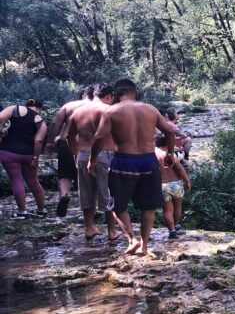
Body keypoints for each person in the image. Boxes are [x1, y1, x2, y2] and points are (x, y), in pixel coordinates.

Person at [89, 79, 179, 256]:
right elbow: (169, 132)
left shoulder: (111, 111)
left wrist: (92, 160)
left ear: (115, 95)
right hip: (148, 160)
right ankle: (145, 246)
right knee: (149, 207)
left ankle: (132, 240)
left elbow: (99, 137)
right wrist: (169, 154)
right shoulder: (151, 109)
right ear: (135, 92)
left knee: (117, 206)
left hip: (124, 161)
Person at [65, 84, 120, 241]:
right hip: (104, 155)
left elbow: (69, 136)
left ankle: (89, 228)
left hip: (82, 154)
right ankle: (111, 231)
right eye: (112, 98)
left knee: (86, 192)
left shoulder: (78, 112)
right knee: (109, 193)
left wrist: (76, 154)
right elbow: (103, 137)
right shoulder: (107, 111)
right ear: (109, 96)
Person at [45, 86, 93, 217]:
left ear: (83, 94)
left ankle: (64, 195)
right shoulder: (99, 107)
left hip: (66, 142)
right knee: (88, 176)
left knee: (65, 174)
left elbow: (55, 123)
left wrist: (49, 142)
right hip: (89, 145)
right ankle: (92, 206)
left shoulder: (70, 105)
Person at [0, 99, 48, 218]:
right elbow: (39, 141)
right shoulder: (41, 122)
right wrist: (35, 159)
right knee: (33, 181)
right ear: (39, 108)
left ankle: (22, 212)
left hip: (8, 152)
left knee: (17, 180)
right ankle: (42, 210)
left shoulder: (14, 109)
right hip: (28, 155)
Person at [155, 134, 190, 238]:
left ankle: (171, 230)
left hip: (162, 184)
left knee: (167, 210)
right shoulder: (170, 155)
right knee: (177, 207)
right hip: (175, 183)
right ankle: (175, 225)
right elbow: (179, 169)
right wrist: (187, 181)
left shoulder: (154, 154)